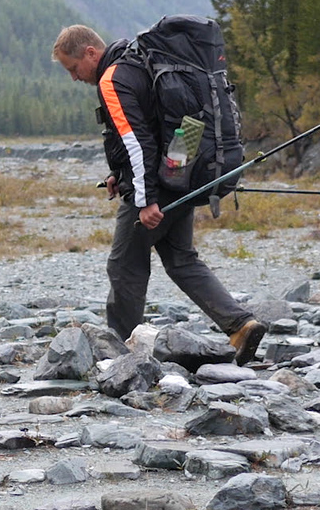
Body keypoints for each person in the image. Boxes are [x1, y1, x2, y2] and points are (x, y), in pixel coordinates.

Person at [52, 23, 266, 364]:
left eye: (73, 68)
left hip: (158, 187)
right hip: (182, 172)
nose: (74, 78)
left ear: (90, 53)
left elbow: (138, 142)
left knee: (125, 265)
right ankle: (241, 324)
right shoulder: (138, 64)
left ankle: (120, 353)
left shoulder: (112, 79)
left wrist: (144, 200)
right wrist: (117, 175)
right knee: (181, 259)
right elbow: (151, 128)